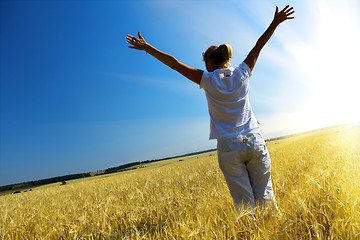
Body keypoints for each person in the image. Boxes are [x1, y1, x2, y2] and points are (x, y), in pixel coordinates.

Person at [126, 5, 294, 212]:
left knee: (245, 206)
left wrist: (147, 48)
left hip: (229, 147)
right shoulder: (242, 72)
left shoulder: (207, 79)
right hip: (254, 140)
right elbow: (258, 46)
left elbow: (174, 63)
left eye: (205, 62)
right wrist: (275, 22)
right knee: (266, 199)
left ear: (210, 62)